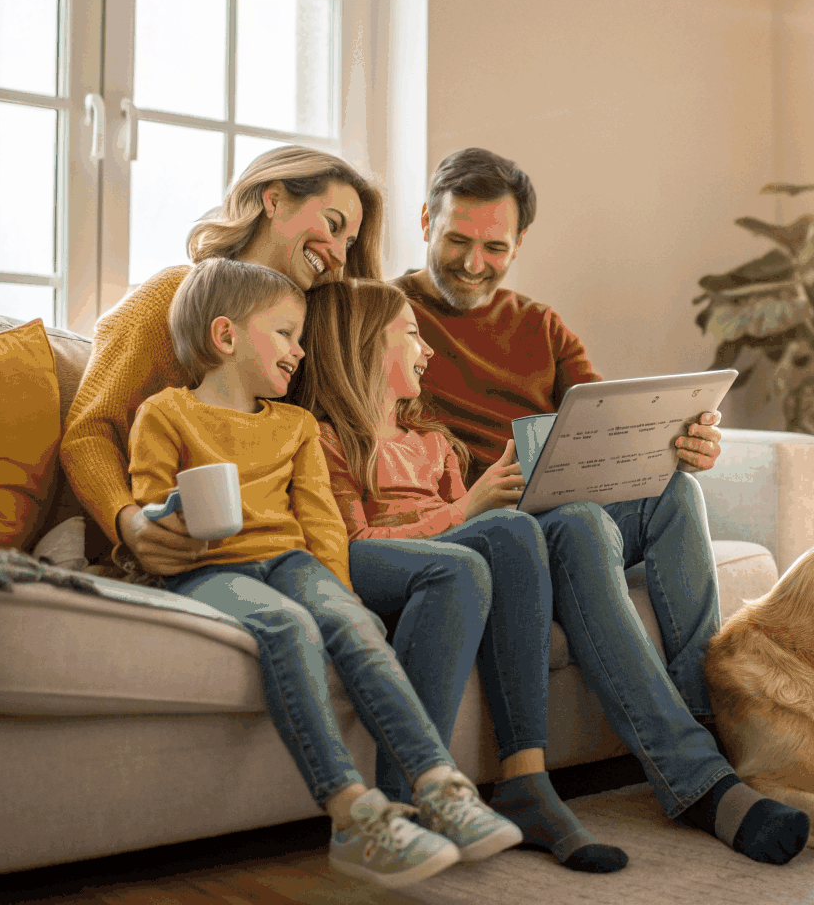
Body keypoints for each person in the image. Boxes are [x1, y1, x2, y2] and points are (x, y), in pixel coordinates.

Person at [392, 148, 812, 866]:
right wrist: (468, 498)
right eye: (455, 241)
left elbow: (614, 424)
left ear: (519, 244)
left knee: (672, 491)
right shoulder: (384, 318)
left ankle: (707, 720)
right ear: (426, 220)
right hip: (477, 520)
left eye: (494, 247)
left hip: (553, 500)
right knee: (584, 524)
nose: (471, 263)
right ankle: (699, 782)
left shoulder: (540, 326)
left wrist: (680, 444)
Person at [59, 145, 491, 809]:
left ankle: (463, 791)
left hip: (303, 546)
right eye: (335, 221)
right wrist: (128, 522)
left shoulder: (306, 329)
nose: (342, 251)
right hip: (182, 548)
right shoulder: (175, 298)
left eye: (354, 239)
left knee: (505, 545)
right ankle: (397, 803)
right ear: (274, 199)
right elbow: (90, 428)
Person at [127, 258, 522, 887]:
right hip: (208, 568)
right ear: (226, 337)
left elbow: (323, 527)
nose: (301, 351)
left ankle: (440, 785)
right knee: (287, 628)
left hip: (291, 559)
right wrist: (168, 517)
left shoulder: (296, 425)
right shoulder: (166, 414)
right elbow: (149, 508)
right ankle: (352, 813)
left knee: (349, 621)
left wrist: (340, 596)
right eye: (285, 334)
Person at [287, 278, 629, 874]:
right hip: (365, 563)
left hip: (448, 560)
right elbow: (350, 543)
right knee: (480, 545)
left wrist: (492, 502)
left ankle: (527, 777)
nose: (428, 352)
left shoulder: (435, 444)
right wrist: (467, 510)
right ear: (364, 345)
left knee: (515, 531)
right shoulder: (324, 438)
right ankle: (411, 798)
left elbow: (476, 532)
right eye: (413, 336)